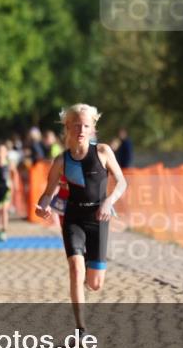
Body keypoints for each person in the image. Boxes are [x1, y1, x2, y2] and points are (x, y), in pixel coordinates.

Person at [35, 104, 127, 332]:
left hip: (98, 217)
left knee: (95, 284)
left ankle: (88, 274)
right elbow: (48, 193)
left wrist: (109, 201)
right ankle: (81, 329)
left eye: (86, 125)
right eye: (76, 125)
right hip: (73, 217)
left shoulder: (103, 152)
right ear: (67, 127)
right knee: (75, 269)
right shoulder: (61, 161)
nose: (81, 129)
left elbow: (122, 182)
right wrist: (42, 207)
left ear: (93, 127)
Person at [0, 143, 19, 241]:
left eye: (2, 151)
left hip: (6, 190)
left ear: (6, 153)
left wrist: (14, 184)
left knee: (4, 211)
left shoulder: (9, 164)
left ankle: (4, 231)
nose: (0, 153)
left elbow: (15, 173)